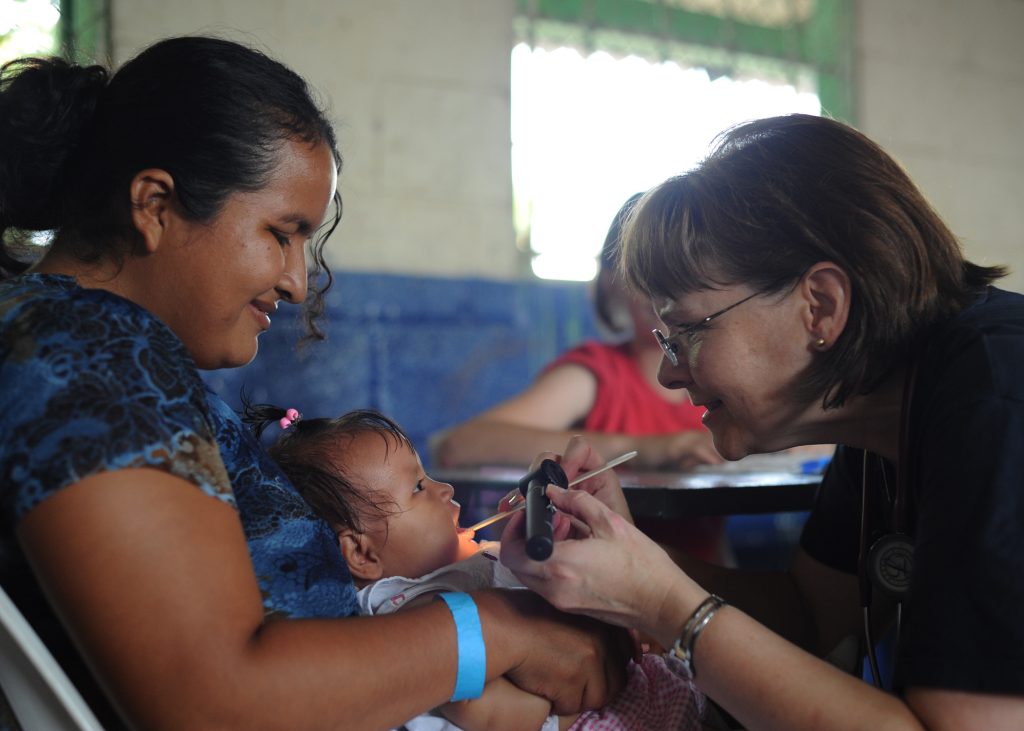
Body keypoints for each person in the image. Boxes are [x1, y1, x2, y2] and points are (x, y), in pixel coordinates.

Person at [0, 37, 629, 731]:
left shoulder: (91, 344)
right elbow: (216, 699)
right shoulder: (84, 353)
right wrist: (496, 628)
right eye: (281, 232)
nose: (298, 282)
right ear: (155, 205)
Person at [497, 114, 1024, 730]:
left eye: (688, 332)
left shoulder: (995, 396)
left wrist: (664, 605)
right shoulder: (884, 419)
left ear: (820, 306)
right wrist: (626, 547)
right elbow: (806, 615)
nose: (669, 375)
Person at [246, 404, 707, 731]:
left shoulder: (452, 571)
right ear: (363, 555)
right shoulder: (417, 610)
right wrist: (567, 716)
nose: (444, 488)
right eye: (419, 488)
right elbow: (478, 710)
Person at [433, 194, 729, 562]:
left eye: (681, 268)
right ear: (609, 283)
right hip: (599, 580)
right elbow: (461, 445)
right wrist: (651, 449)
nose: (662, 289)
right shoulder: (597, 374)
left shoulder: (724, 373)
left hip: (708, 579)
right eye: (642, 271)